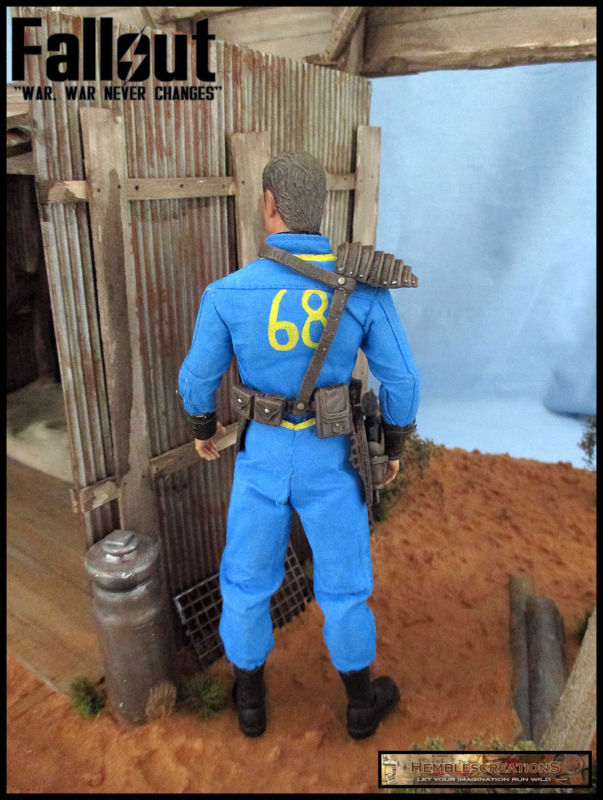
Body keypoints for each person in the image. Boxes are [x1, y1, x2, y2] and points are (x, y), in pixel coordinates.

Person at [178, 152, 420, 739]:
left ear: (269, 205)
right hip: (331, 458)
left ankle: (250, 701)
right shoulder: (360, 289)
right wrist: (392, 444)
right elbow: (404, 381)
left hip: (261, 455)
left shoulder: (227, 292)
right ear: (322, 208)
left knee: (245, 579)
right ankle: (360, 704)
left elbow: (196, 379)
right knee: (344, 586)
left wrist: (204, 429)